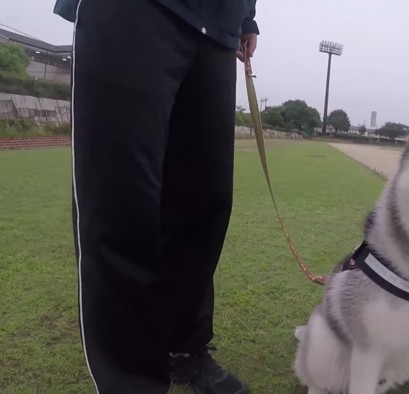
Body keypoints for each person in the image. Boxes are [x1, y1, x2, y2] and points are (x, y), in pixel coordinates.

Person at [52, 0, 259, 393]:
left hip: (218, 23)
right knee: (123, 201)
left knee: (204, 203)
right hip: (134, 12)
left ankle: (184, 348)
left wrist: (246, 15)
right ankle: (130, 381)